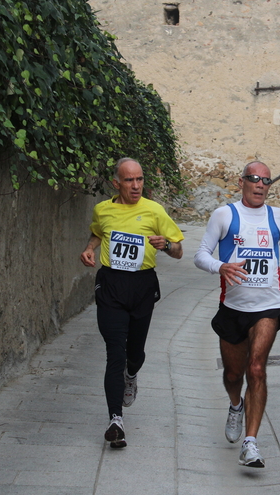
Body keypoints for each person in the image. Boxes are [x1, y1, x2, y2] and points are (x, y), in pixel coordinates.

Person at [194, 161, 280, 467]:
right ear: (241, 181)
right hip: (232, 308)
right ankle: (235, 405)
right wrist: (221, 266)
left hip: (267, 306)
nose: (260, 185)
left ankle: (251, 442)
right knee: (233, 374)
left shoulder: (277, 216)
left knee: (256, 369)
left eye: (266, 181)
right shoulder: (224, 215)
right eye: (255, 179)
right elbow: (200, 255)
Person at [80, 157, 184, 448]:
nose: (136, 185)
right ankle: (116, 420)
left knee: (134, 353)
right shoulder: (103, 209)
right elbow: (98, 231)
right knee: (115, 351)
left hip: (142, 285)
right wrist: (89, 248)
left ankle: (132, 373)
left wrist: (166, 246)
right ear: (116, 184)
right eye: (129, 180)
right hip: (111, 284)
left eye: (139, 179)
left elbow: (179, 251)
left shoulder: (154, 211)